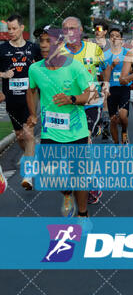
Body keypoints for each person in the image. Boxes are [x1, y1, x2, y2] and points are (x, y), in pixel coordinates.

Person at [26, 26, 92, 217]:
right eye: (42, 41)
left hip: (76, 131)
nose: (44, 45)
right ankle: (65, 191)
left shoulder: (75, 67)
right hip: (51, 131)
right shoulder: (35, 69)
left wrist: (72, 98)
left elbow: (91, 94)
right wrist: (32, 114)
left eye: (49, 41)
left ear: (60, 43)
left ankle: (82, 214)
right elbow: (31, 90)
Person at [60, 16, 106, 204]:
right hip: (69, 104)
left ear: (79, 31)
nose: (70, 32)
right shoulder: (59, 52)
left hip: (91, 101)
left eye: (73, 28)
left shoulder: (93, 49)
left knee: (85, 140)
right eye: (66, 29)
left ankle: (92, 182)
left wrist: (106, 85)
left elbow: (105, 67)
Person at [0, 14, 41, 190]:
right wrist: (2, 75)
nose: (11, 32)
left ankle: (28, 176)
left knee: (28, 133)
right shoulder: (2, 50)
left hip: (29, 99)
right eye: (8, 29)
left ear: (22, 28)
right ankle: (33, 157)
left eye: (14, 28)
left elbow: (45, 69)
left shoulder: (34, 48)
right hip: (11, 100)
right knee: (20, 137)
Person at [103, 27, 131, 144]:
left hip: (124, 87)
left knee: (123, 115)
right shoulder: (105, 55)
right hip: (112, 89)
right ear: (109, 39)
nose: (114, 38)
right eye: (112, 36)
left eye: (117, 36)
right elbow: (103, 74)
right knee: (113, 119)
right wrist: (112, 66)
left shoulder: (127, 53)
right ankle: (116, 144)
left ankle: (124, 130)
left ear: (121, 39)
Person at [93, 18, 111, 140]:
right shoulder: (91, 45)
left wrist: (107, 83)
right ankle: (99, 124)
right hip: (93, 78)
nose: (97, 32)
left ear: (105, 32)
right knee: (96, 102)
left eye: (99, 29)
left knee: (105, 102)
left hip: (108, 77)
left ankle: (106, 125)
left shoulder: (111, 46)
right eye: (95, 29)